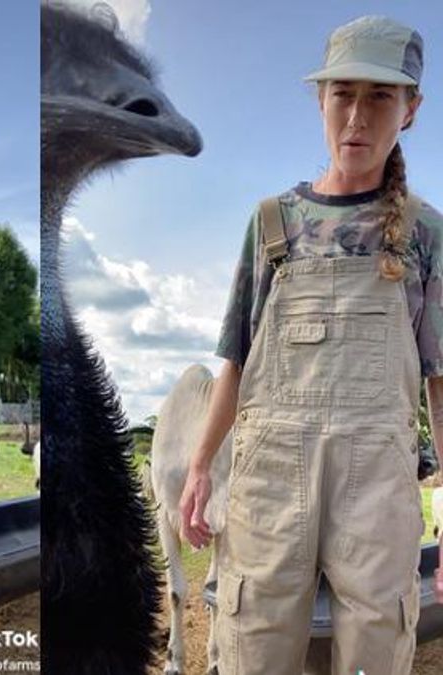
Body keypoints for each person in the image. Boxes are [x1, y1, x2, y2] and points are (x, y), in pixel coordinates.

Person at [179, 16, 442, 674]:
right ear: (321, 101)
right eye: (342, 93)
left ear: (410, 109)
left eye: (380, 96)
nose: (357, 115)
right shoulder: (273, 224)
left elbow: (439, 379)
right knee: (252, 646)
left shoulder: (424, 233)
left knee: (376, 649)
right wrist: (201, 465)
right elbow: (234, 360)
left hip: (377, 489)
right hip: (269, 485)